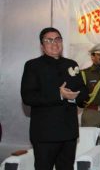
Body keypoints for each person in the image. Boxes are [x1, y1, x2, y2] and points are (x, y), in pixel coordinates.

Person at [21, 27, 88, 170]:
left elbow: (83, 93)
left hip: (68, 132)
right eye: (49, 40)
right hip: (45, 134)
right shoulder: (33, 66)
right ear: (41, 46)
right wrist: (59, 95)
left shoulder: (71, 64)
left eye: (58, 39)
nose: (54, 43)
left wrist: (74, 97)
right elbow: (28, 97)